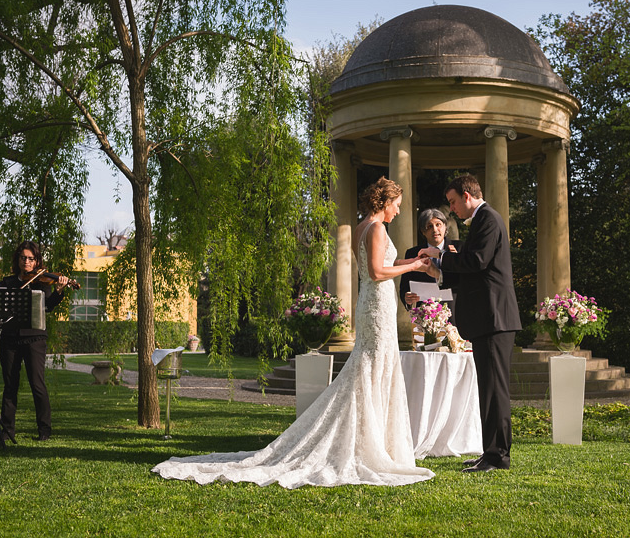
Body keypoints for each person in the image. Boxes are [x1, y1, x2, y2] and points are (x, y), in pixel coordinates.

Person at [152, 177, 435, 488]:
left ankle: (373, 440)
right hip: (376, 303)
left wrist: (415, 262)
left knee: (371, 368)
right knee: (371, 367)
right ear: (385, 202)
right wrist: (410, 269)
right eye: (397, 204)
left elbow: (386, 261)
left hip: (372, 301)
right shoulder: (378, 227)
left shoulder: (362, 226)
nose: (398, 210)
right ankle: (369, 444)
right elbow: (379, 271)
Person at [419, 175, 521, 472]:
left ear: (466, 195)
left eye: (452, 202)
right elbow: (473, 264)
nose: (451, 210)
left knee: (495, 390)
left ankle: (497, 456)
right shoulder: (482, 221)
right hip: (488, 317)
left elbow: (477, 261)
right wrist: (441, 266)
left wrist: (440, 257)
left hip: (494, 317)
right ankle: (490, 452)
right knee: (488, 388)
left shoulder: (487, 219)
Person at [0, 240, 70, 441]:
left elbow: (47, 307)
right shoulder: (7, 283)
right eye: (23, 258)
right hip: (10, 338)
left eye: (31, 259)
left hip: (34, 338)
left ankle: (44, 431)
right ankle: (7, 431)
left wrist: (59, 292)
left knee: (37, 384)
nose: (27, 262)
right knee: (10, 385)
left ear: (37, 260)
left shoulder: (41, 283)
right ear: (18, 260)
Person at [399, 208, 461, 323]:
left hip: (455, 314)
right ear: (423, 231)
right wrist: (406, 297)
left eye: (438, 225)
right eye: (429, 226)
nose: (435, 230)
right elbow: (404, 286)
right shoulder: (412, 253)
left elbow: (464, 281)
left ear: (445, 227)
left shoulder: (460, 249)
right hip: (425, 316)